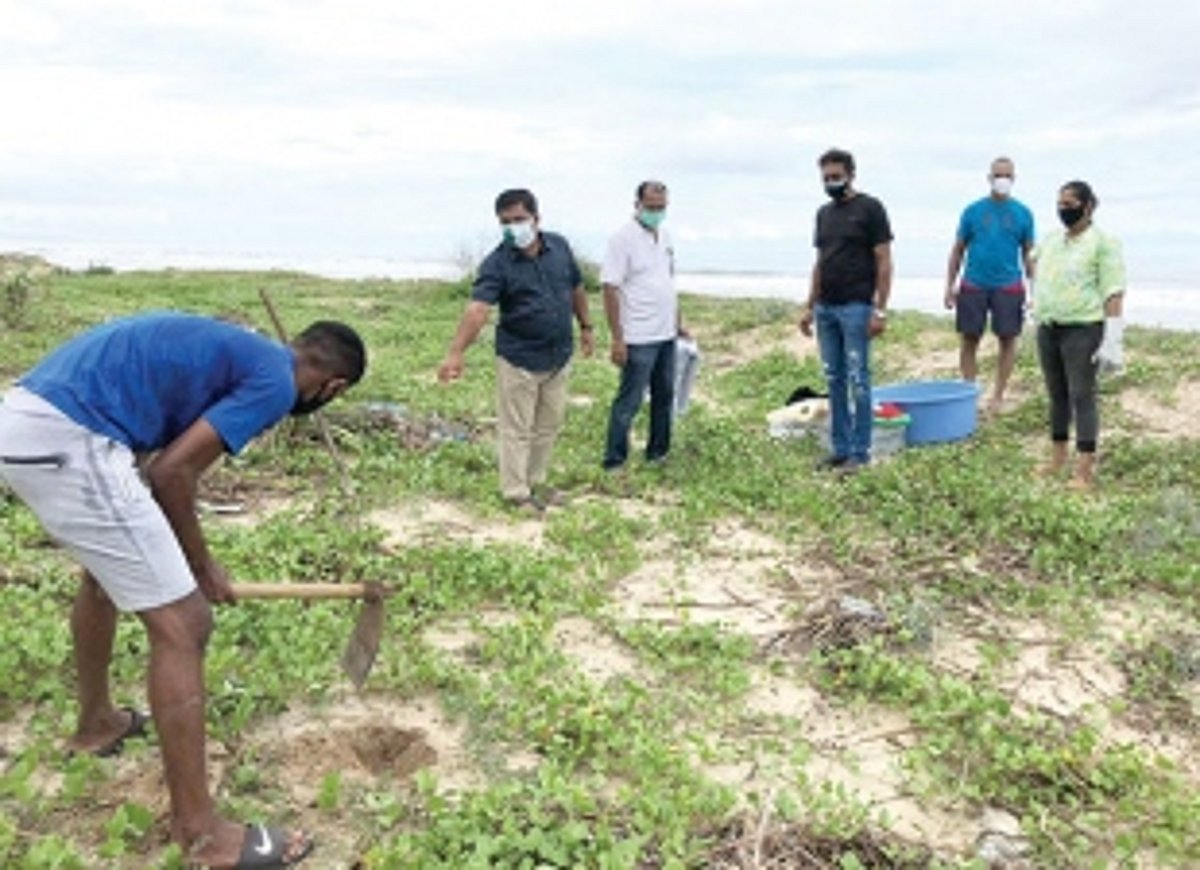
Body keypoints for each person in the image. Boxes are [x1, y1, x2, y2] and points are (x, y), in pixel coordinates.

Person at [0, 311, 367, 867]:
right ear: (331, 387)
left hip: (26, 419)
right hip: (69, 439)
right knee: (186, 623)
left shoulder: (240, 354)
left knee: (105, 578)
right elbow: (172, 474)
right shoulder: (275, 379)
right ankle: (200, 834)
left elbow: (152, 454)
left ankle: (98, 724)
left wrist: (179, 557)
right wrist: (200, 566)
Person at [438, 188, 594, 514]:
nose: (513, 227)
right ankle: (516, 493)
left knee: (548, 424)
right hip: (519, 358)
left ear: (537, 219)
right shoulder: (497, 264)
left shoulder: (560, 247)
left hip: (558, 354)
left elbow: (576, 287)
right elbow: (478, 310)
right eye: (505, 222)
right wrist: (456, 352)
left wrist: (586, 327)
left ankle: (536, 481)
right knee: (517, 429)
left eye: (519, 219)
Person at [799, 148, 893, 470]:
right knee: (833, 379)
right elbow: (820, 261)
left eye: (836, 176)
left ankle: (860, 452)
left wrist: (879, 310)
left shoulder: (870, 208)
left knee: (859, 380)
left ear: (851, 174)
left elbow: (884, 260)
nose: (831, 182)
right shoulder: (823, 214)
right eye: (826, 178)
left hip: (856, 307)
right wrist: (809, 305)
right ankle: (840, 448)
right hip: (826, 307)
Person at [1031, 180, 1125, 490]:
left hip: (1083, 329)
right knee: (1056, 394)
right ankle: (1057, 458)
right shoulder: (1051, 240)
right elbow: (1035, 265)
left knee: (1082, 395)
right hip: (1048, 326)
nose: (1063, 209)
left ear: (1088, 206)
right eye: (1060, 203)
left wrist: (1113, 337)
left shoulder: (1104, 242)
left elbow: (1113, 291)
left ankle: (1084, 468)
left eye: (1070, 204)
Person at [601, 180, 686, 470]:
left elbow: (667, 282)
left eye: (661, 207)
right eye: (650, 207)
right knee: (630, 399)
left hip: (666, 333)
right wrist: (617, 338)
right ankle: (615, 460)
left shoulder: (665, 236)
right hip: (637, 335)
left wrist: (678, 322)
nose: (656, 212)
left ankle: (658, 454)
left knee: (664, 396)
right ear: (637, 205)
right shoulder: (621, 239)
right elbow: (610, 288)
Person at [944, 156, 1035, 414]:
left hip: (1009, 285)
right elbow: (958, 250)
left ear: (1013, 179)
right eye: (997, 175)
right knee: (969, 339)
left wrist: (1034, 291)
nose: (1001, 180)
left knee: (1007, 339)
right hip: (974, 283)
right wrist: (949, 286)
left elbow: (1029, 253)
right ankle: (970, 392)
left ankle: (998, 395)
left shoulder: (1023, 213)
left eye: (1006, 175)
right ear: (989, 178)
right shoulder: (972, 211)